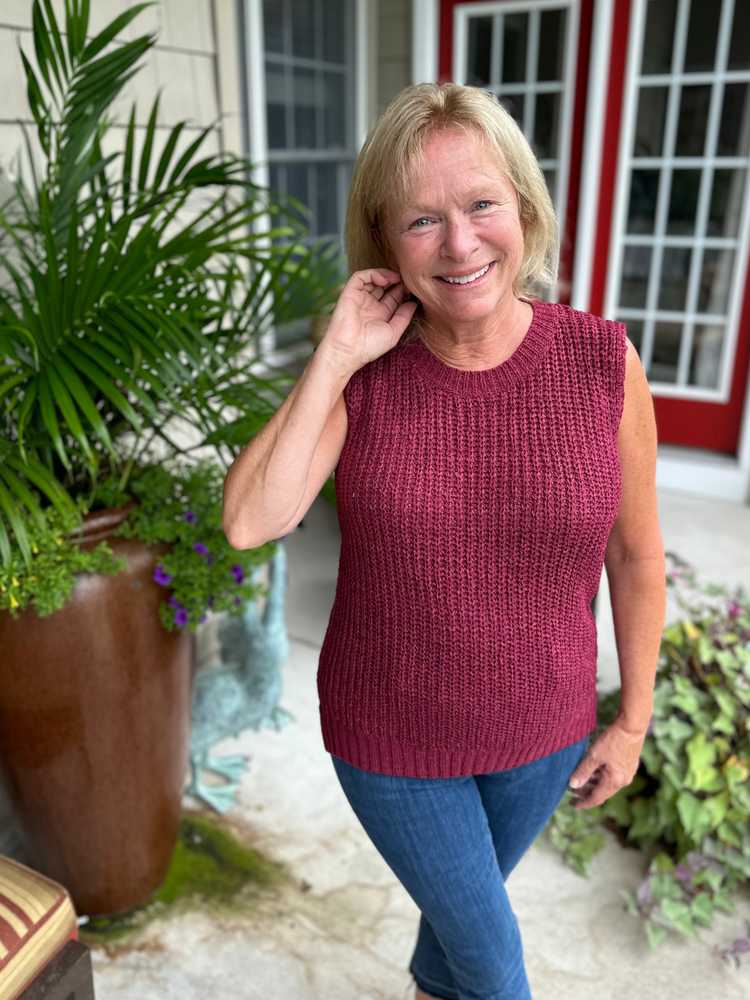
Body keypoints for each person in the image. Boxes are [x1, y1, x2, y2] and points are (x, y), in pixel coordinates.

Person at [222, 82, 666, 1000]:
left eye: (480, 205)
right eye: (421, 221)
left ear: (523, 208)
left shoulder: (600, 362)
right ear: (384, 240)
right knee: (497, 971)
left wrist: (631, 720)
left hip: (543, 733)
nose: (459, 244)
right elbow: (249, 522)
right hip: (390, 740)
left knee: (456, 939)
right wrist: (335, 354)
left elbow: (634, 554)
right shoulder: (365, 378)